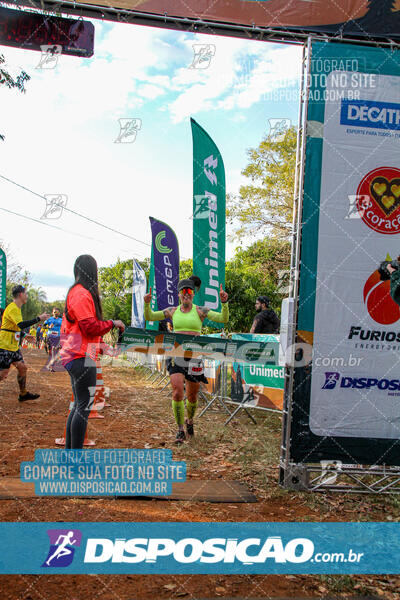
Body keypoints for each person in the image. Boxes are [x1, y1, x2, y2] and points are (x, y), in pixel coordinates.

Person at [144, 276, 229, 443]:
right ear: (178, 294)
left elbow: (223, 319)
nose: (186, 294)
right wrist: (147, 303)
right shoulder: (172, 311)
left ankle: (190, 421)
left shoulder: (200, 311)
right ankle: (180, 429)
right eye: (183, 291)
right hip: (176, 354)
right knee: (177, 392)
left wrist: (224, 303)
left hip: (194, 357)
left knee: (192, 397)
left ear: (193, 293)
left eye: (189, 291)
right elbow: (150, 316)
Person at [59, 255, 125, 449]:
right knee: (82, 408)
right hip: (81, 358)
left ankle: (71, 456)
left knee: (79, 406)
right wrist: (113, 323)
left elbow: (85, 329)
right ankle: (75, 460)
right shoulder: (82, 294)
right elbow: (90, 327)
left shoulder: (76, 292)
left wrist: (103, 346)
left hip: (76, 356)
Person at [0, 285, 50, 401]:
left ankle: (23, 394)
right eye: (26, 294)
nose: (27, 296)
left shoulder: (16, 309)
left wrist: (24, 335)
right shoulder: (12, 308)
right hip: (5, 346)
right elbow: (21, 325)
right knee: (3, 373)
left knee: (22, 368)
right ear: (21, 295)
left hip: (13, 346)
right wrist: (39, 318)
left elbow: (15, 327)